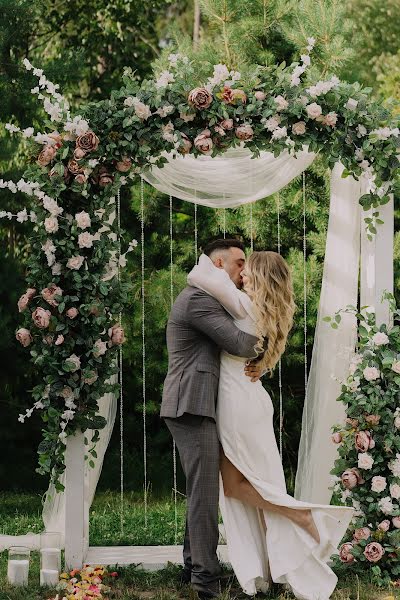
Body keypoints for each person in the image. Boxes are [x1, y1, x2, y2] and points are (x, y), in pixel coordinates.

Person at [187, 249, 354, 600]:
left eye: (248, 270)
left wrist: (216, 262)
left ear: (259, 277)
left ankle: (302, 517)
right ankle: (276, 564)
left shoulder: (243, 306)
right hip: (249, 399)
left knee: (238, 486)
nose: (242, 274)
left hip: (237, 403)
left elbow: (198, 276)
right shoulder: (264, 310)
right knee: (245, 484)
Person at [160, 239, 263, 599]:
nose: (243, 272)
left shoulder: (207, 296)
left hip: (196, 403)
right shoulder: (199, 300)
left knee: (200, 490)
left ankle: (193, 568)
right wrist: (274, 332)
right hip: (191, 404)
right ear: (217, 264)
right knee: (205, 495)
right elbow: (238, 342)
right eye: (238, 263)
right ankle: (207, 583)